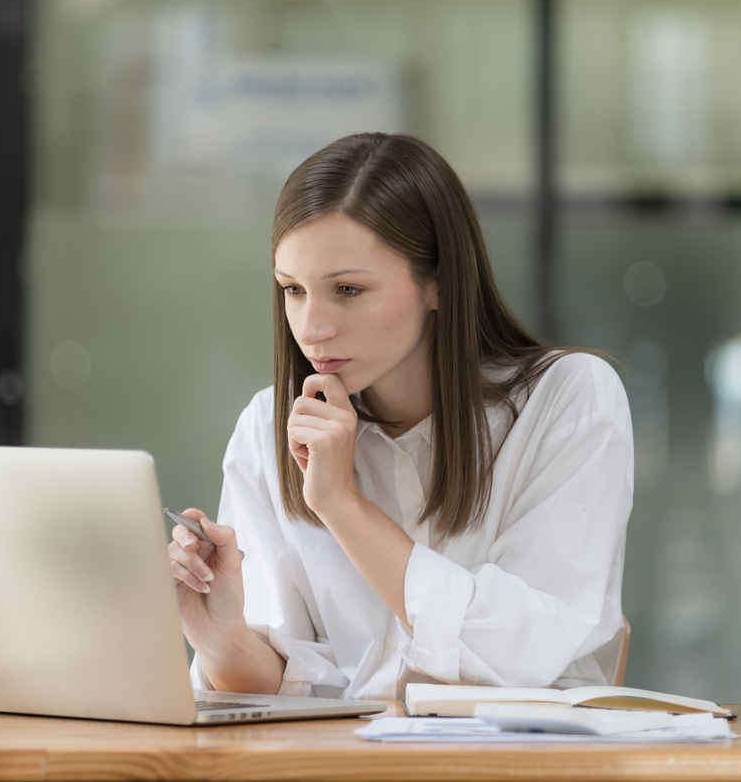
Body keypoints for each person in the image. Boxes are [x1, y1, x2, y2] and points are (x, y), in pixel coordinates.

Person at [168, 133, 634, 699]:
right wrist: (217, 638)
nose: (312, 327)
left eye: (347, 289)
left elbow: (521, 656)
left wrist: (342, 504)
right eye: (292, 290)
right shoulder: (270, 424)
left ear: (438, 281)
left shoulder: (567, 400)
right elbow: (286, 695)